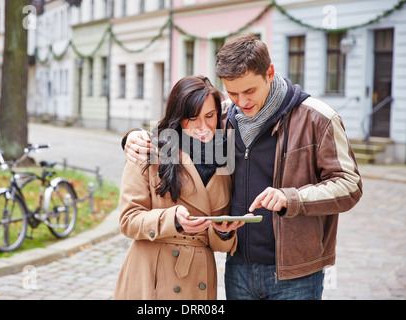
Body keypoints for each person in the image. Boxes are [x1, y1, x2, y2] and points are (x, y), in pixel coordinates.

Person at [122, 34, 363, 300]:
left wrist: (290, 197)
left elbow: (350, 186)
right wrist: (133, 137)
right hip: (238, 266)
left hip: (296, 272)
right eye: (233, 92)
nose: (242, 101)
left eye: (249, 91)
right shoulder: (221, 115)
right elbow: (176, 128)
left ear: (269, 73)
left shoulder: (318, 118)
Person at [113, 75, 246, 300]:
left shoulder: (226, 157)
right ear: (178, 116)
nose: (203, 127)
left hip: (199, 280)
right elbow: (128, 221)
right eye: (192, 118)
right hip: (153, 277)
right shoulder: (149, 149)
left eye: (210, 116)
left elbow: (219, 241)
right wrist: (172, 219)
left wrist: (223, 231)